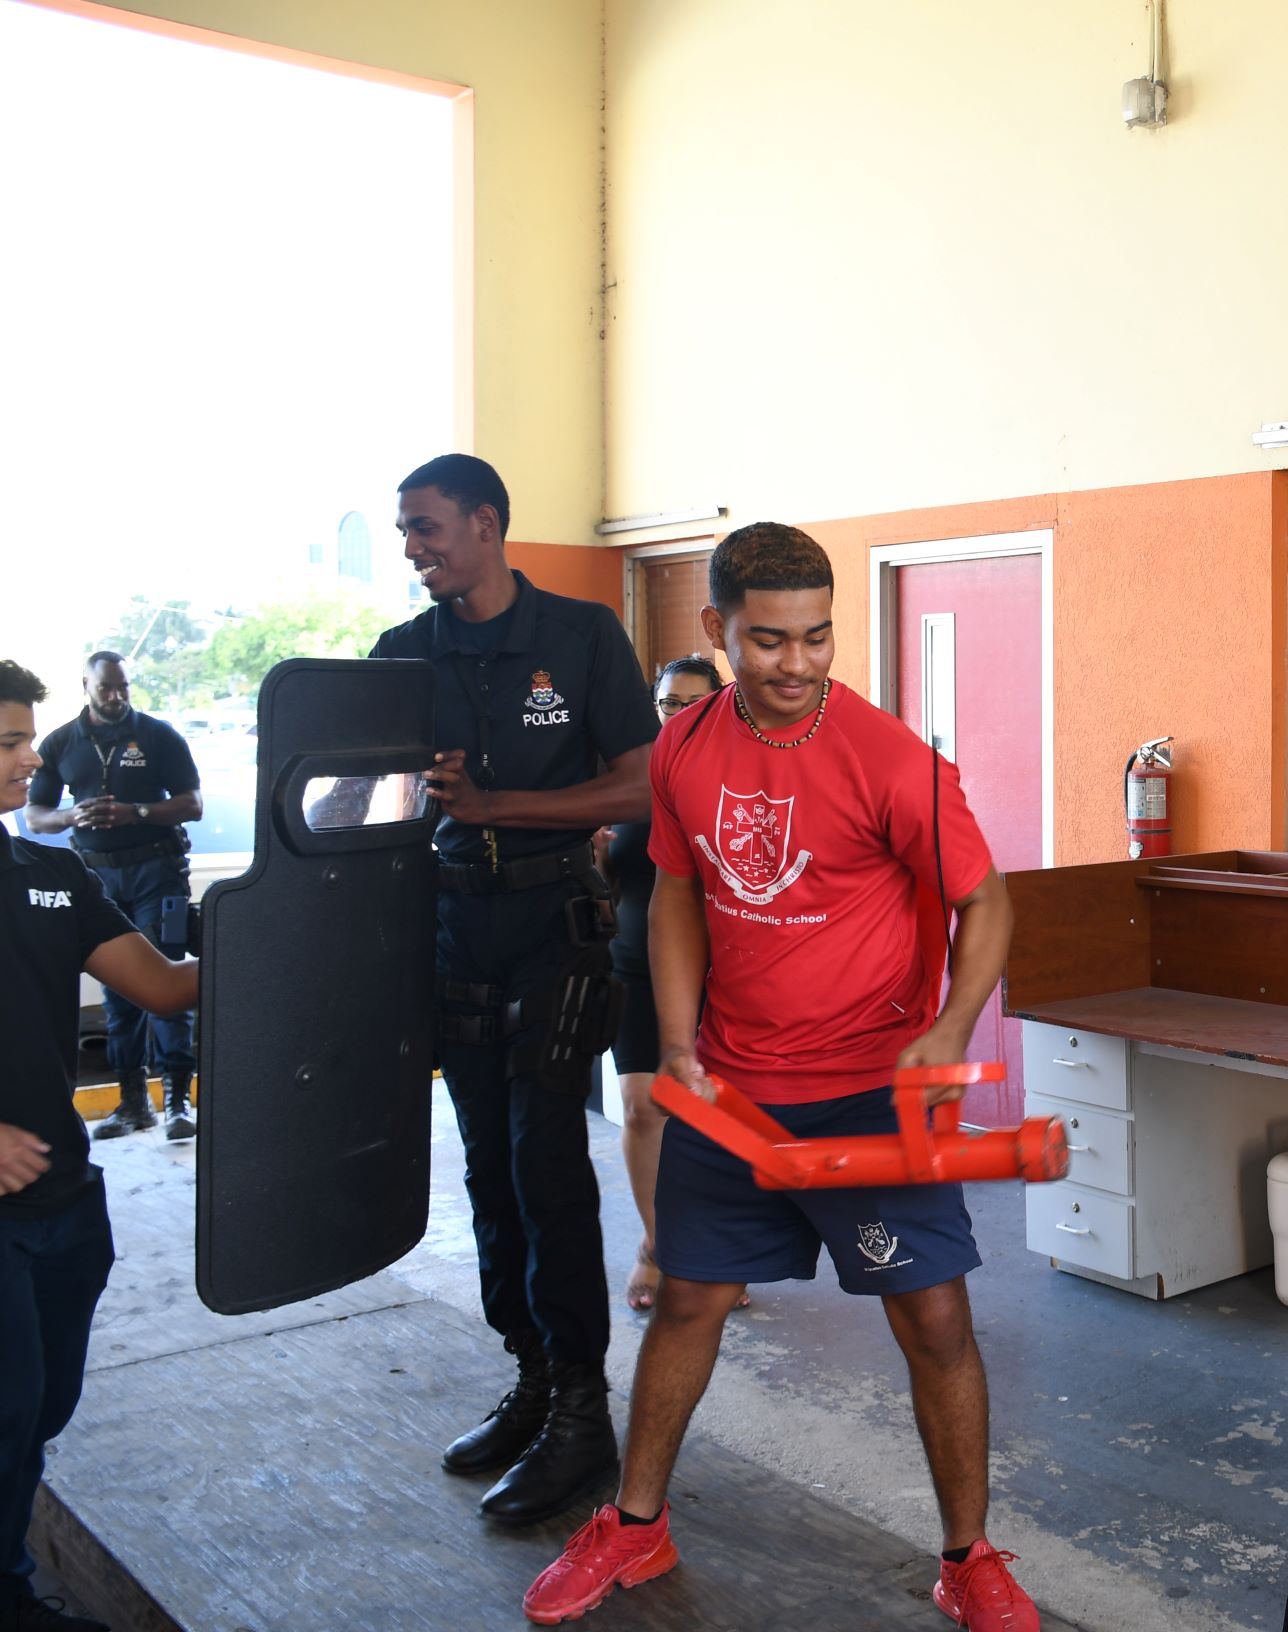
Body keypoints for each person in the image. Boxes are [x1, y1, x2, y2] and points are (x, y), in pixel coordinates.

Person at [523, 523, 1039, 1629]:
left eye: (816, 637)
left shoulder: (891, 757)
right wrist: (675, 1041)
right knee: (688, 1298)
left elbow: (985, 902)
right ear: (718, 631)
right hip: (736, 1088)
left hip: (866, 1089)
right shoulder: (683, 750)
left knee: (934, 1320)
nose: (797, 665)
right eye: (768, 641)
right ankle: (636, 1528)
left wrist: (950, 1028)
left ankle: (969, 1557)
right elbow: (676, 892)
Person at [371, 453, 658, 1525]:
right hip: (450, 929)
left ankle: (583, 1413)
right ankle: (532, 1378)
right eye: (405, 531)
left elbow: (640, 782)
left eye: (426, 527)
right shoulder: (403, 655)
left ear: (487, 523)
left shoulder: (582, 637)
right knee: (486, 1166)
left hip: (555, 927)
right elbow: (363, 801)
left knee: (547, 1167)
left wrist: (495, 806)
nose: (413, 548)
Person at [1, 659, 200, 1632]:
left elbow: (164, 988)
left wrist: (297, 920)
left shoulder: (47, 871)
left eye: (27, 737)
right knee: (4, 1414)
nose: (31, 760)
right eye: (7, 744)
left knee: (38, 1413)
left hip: (66, 1204)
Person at [594, 653, 736, 1313]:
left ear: (718, 703)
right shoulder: (630, 779)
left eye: (690, 702)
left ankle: (716, 1253)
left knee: (708, 1114)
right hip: (632, 962)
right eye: (667, 704)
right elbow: (610, 875)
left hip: (720, 970)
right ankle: (656, 1245)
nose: (677, 714)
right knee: (644, 1105)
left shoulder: (736, 775)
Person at [23, 652, 203, 1142]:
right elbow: (36, 814)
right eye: (107, 688)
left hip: (156, 874)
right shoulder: (62, 741)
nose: (118, 696)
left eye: (123, 686)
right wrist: (71, 817)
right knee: (118, 992)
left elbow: (193, 803)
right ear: (86, 685)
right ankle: (132, 1104)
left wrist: (136, 812)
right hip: (97, 880)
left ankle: (177, 1102)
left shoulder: (157, 734)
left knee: (165, 983)